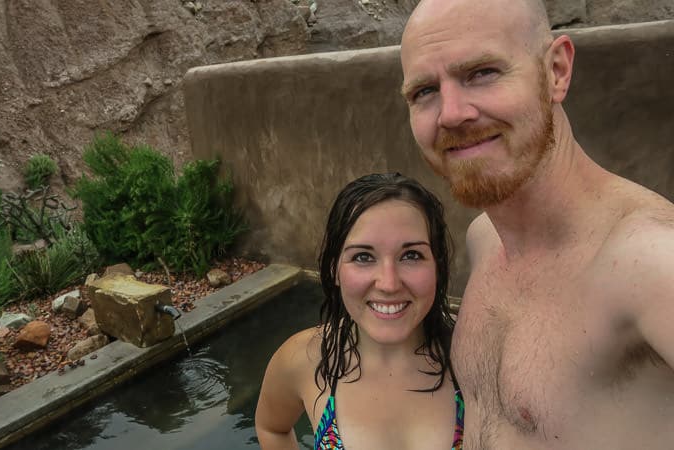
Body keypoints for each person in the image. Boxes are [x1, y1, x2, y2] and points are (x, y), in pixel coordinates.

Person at [399, 0, 674, 448]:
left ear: (557, 71)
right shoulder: (484, 237)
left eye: (482, 72)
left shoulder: (651, 262)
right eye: (424, 91)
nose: (450, 113)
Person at [255, 173, 464, 450]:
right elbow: (272, 428)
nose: (389, 284)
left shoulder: (472, 361)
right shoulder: (303, 358)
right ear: (334, 270)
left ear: (437, 266)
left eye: (411, 255)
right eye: (363, 257)